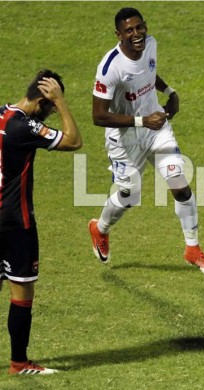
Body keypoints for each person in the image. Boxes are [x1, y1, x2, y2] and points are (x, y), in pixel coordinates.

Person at [88, 7, 204, 276]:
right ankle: (100, 228)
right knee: (129, 195)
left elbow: (149, 74)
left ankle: (192, 249)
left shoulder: (151, 44)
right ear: (118, 34)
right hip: (124, 140)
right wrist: (141, 121)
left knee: (180, 185)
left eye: (139, 27)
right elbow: (98, 116)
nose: (136, 34)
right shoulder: (110, 68)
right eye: (129, 30)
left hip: (157, 130)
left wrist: (170, 92)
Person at [0, 70, 82, 375]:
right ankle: (19, 363)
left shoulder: (1, 115)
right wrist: (61, 103)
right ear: (42, 101)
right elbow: (73, 141)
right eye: (49, 105)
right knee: (21, 292)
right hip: (15, 222)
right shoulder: (24, 126)